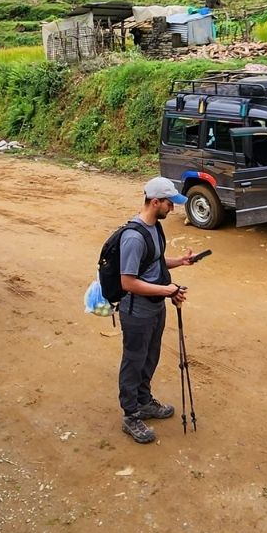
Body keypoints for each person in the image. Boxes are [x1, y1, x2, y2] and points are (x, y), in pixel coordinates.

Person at [117, 176, 199, 444]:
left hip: (154, 308)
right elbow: (127, 282)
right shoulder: (132, 237)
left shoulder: (154, 228)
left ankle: (144, 401)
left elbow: (154, 261)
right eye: (169, 204)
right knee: (134, 360)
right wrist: (168, 290)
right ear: (155, 202)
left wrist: (180, 262)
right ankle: (131, 415)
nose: (172, 209)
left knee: (150, 357)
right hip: (136, 311)